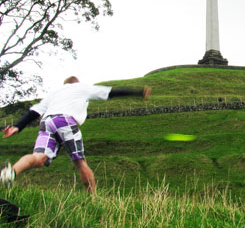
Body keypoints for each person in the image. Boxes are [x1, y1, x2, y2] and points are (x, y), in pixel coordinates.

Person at [0, 76, 151, 194]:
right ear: (76, 82)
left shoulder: (55, 93)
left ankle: (11, 172)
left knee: (39, 158)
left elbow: (34, 111)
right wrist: (138, 92)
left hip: (47, 121)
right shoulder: (82, 88)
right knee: (80, 162)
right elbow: (110, 92)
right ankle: (93, 200)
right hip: (65, 121)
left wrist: (17, 127)